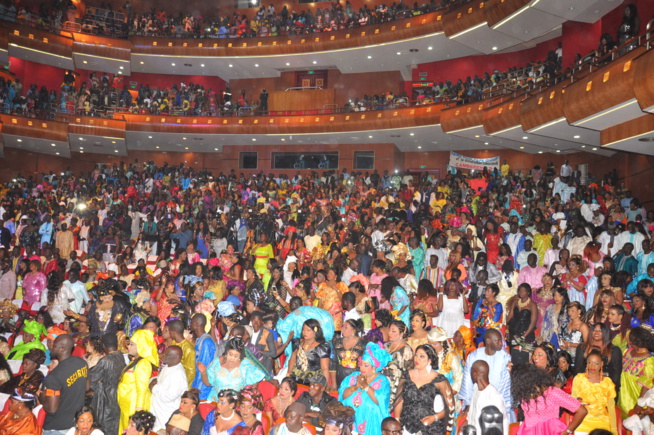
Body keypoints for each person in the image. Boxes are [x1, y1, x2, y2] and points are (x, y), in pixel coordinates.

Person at [395, 344, 455, 435]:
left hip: (431, 428)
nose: (417, 359)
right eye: (416, 355)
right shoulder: (406, 375)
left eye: (422, 356)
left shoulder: (439, 380)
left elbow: (450, 407)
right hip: (407, 425)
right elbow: (399, 400)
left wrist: (434, 417)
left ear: (430, 360)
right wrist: (397, 420)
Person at [511, 363, 588, 434]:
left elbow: (582, 411)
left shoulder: (552, 392)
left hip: (550, 431)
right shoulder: (525, 396)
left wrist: (568, 431)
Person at [40, 334, 89, 435]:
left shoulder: (54, 376)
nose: (51, 347)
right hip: (74, 425)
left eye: (54, 345)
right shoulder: (82, 363)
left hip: (56, 428)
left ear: (62, 349)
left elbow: (52, 409)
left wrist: (41, 397)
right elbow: (87, 387)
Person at [339, 342, 392, 435]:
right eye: (361, 364)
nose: (362, 368)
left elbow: (380, 401)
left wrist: (366, 386)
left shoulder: (382, 381)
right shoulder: (353, 377)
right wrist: (356, 386)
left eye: (366, 365)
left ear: (374, 367)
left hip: (371, 425)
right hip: (350, 423)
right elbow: (343, 396)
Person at [459, 329, 512, 417]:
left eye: (501, 340)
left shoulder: (505, 357)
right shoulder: (474, 356)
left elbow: (505, 384)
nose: (501, 343)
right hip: (477, 398)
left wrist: (499, 403)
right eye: (497, 341)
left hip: (497, 399)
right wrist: (468, 403)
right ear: (488, 341)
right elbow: (467, 380)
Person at [117, 328, 160, 435]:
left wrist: (138, 413)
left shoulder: (143, 364)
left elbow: (142, 389)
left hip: (134, 407)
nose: (128, 346)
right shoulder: (135, 361)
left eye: (132, 344)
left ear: (141, 346)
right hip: (127, 406)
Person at [197, 337, 267, 401]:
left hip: (236, 403)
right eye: (230, 354)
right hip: (216, 401)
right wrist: (203, 372)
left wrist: (246, 398)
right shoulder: (217, 362)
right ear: (226, 352)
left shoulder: (245, 365)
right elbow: (208, 383)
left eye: (236, 356)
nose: (232, 359)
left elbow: (254, 385)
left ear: (240, 355)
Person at [571, 350, 618, 434]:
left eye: (596, 363)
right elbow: (572, 401)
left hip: (602, 423)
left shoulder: (607, 382)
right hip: (583, 421)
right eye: (590, 362)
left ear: (601, 364)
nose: (593, 366)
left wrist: (614, 430)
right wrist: (576, 401)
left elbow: (611, 408)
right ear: (587, 363)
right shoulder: (579, 379)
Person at [89, 332, 126, 435]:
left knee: (104, 425)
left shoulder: (105, 360)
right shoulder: (121, 356)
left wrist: (99, 385)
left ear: (103, 345)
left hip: (105, 397)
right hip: (118, 394)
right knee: (115, 425)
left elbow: (91, 378)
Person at [573, 323, 622, 392]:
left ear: (605, 333)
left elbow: (616, 374)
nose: (596, 332)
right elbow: (578, 370)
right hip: (585, 387)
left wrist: (610, 389)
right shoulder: (582, 348)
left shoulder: (614, 350)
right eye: (594, 330)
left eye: (600, 330)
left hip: (606, 388)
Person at [464, 360, 508, 435]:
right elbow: (471, 416)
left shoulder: (493, 396)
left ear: (475, 373)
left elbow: (501, 427)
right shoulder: (476, 389)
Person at [618, 326, 654, 417]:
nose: (629, 341)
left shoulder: (649, 360)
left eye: (631, 339)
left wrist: (639, 403)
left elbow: (647, 384)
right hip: (622, 391)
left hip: (634, 395)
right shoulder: (628, 351)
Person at [151, 345, 189, 433]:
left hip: (165, 418)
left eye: (167, 354)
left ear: (176, 357)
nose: (163, 355)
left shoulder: (178, 375)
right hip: (158, 414)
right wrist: (153, 382)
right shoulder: (169, 366)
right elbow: (159, 380)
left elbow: (167, 397)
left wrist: (154, 387)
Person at [287, 319, 331, 387]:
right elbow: (292, 360)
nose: (305, 332)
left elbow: (325, 368)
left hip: (313, 381)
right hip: (296, 377)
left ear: (315, 331)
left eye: (308, 330)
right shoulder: (297, 342)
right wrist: (288, 375)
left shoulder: (322, 347)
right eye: (303, 330)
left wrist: (325, 386)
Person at [383, 319, 414, 409]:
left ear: (401, 334)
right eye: (389, 330)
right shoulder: (386, 346)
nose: (390, 333)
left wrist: (401, 390)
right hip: (382, 382)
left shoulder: (406, 350)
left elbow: (409, 372)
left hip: (396, 386)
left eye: (394, 331)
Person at [190, 312, 217, 400]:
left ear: (197, 324)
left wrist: (197, 388)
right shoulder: (199, 340)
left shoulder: (206, 342)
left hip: (203, 387)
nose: (190, 324)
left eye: (192, 322)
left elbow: (203, 367)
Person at [331, 318, 366, 386]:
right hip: (340, 376)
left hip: (356, 377)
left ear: (353, 330)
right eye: (343, 327)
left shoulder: (363, 344)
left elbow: (367, 364)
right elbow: (333, 362)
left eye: (346, 327)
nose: (342, 329)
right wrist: (334, 383)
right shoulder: (338, 342)